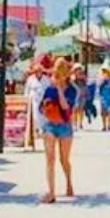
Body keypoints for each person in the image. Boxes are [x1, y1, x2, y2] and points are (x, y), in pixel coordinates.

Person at [40, 58, 78, 203]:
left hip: (65, 126)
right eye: (56, 72)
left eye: (60, 72)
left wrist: (60, 90)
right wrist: (46, 107)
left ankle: (69, 182)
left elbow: (66, 108)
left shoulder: (72, 90)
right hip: (50, 125)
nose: (57, 75)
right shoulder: (49, 89)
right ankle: (51, 192)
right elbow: (42, 107)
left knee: (64, 159)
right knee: (50, 159)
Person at [98, 66, 110, 131]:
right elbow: (98, 86)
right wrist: (102, 80)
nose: (105, 73)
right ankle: (104, 126)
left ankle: (109, 125)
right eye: (103, 71)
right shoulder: (101, 79)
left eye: (106, 71)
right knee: (103, 112)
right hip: (103, 98)